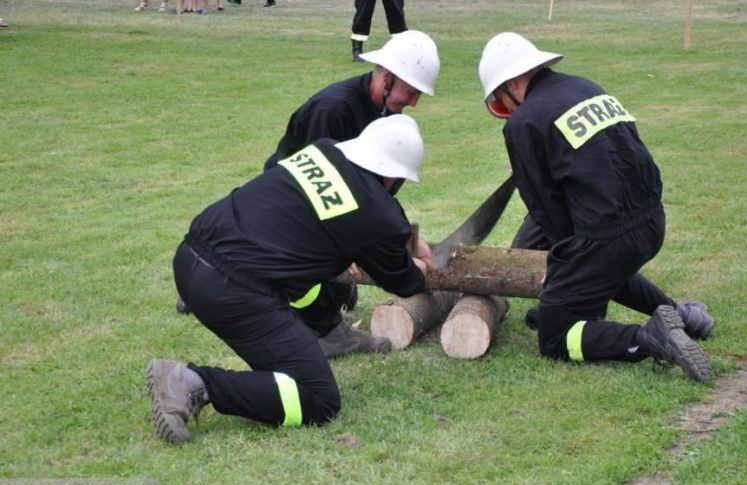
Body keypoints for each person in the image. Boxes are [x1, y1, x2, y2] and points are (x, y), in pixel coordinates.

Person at [147, 115, 434, 445]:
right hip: (234, 292)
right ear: (394, 176)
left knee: (308, 278)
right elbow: (405, 282)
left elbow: (319, 219)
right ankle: (193, 382)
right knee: (318, 400)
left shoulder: (324, 151)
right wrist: (422, 264)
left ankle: (326, 333)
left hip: (190, 256)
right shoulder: (377, 215)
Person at [177, 30, 440, 360]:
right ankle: (327, 330)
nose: (414, 102)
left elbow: (371, 194)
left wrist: (399, 235)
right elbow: (326, 192)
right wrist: (360, 245)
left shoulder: (387, 114)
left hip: (322, 213)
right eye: (412, 91)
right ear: (388, 76)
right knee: (322, 276)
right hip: (290, 214)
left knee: (345, 292)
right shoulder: (332, 111)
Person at [478, 32, 715, 381]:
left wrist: (564, 258)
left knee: (554, 336)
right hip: (651, 221)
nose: (507, 108)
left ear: (511, 83)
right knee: (600, 270)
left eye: (502, 97)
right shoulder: (587, 87)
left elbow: (544, 208)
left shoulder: (523, 122)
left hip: (607, 237)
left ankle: (650, 338)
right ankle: (680, 314)